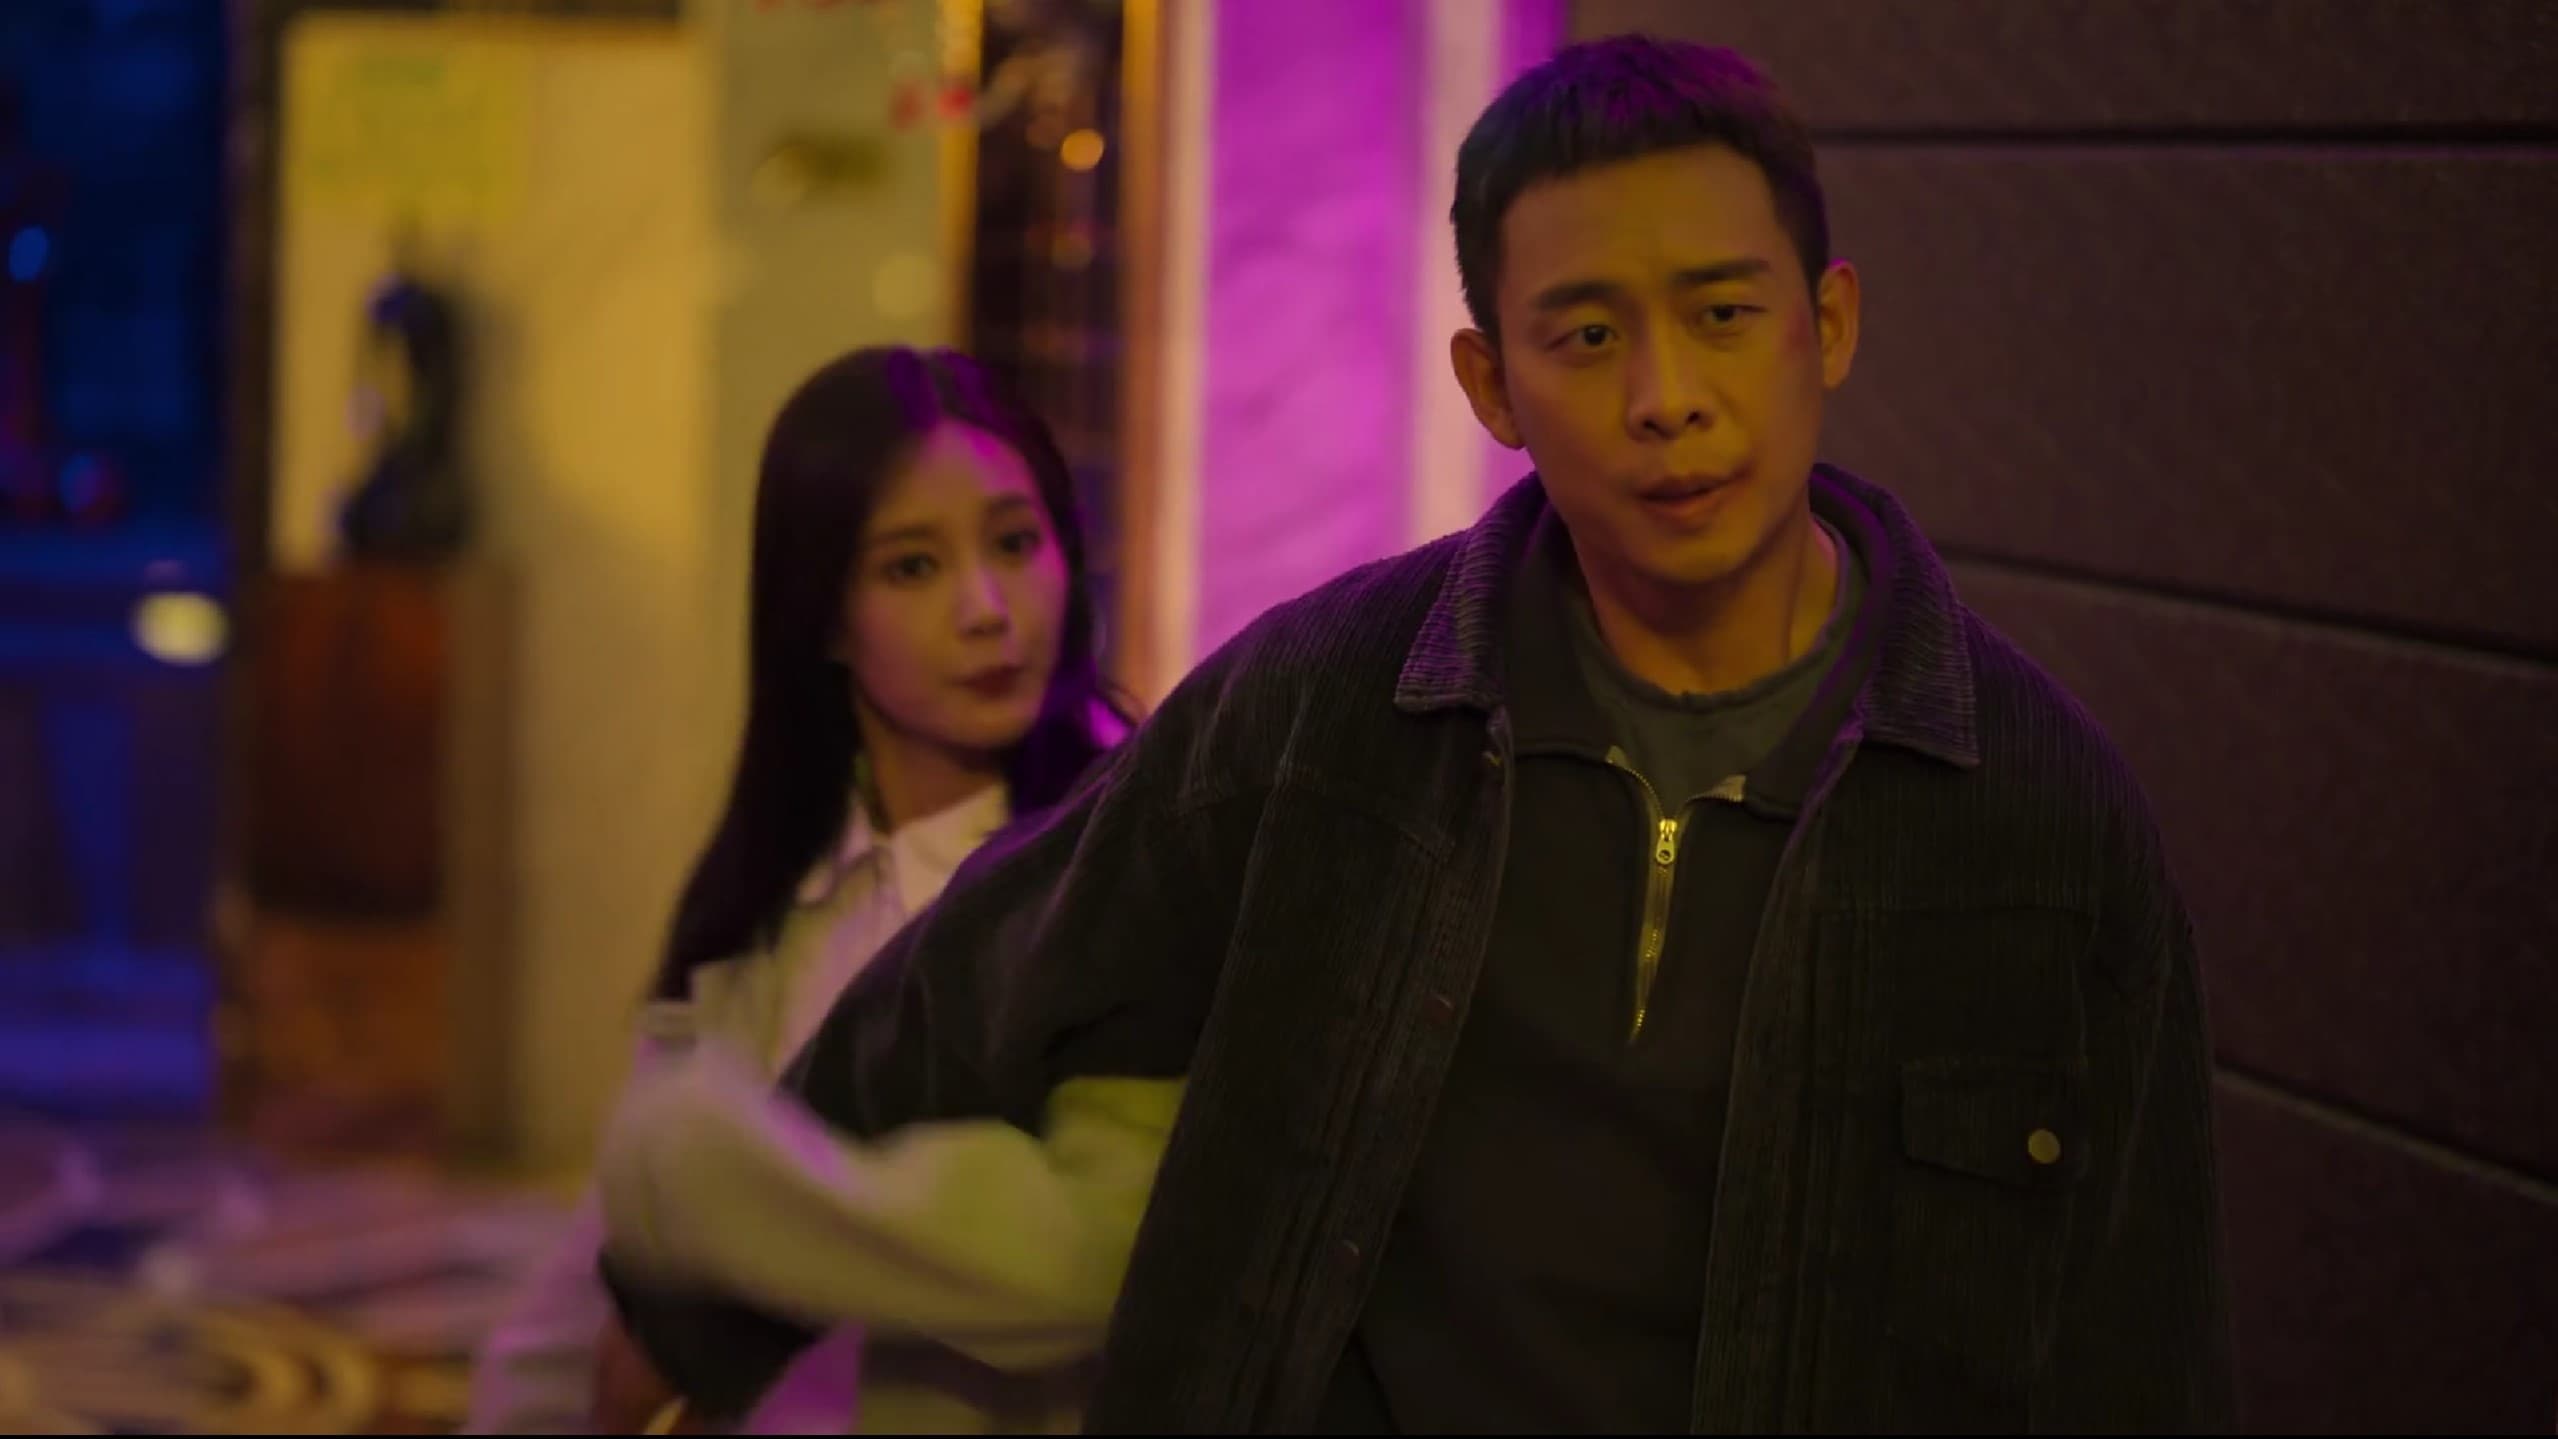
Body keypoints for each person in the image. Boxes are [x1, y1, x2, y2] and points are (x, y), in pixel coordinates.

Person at [608, 36, 2236, 1433]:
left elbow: (2135, 1334)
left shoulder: (2029, 814)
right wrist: (684, 1318)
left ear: (1829, 324)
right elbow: (975, 983)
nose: (1664, 394)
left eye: (1722, 313)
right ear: (1489, 383)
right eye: (1585, 334)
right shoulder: (1330, 709)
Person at [466, 346, 1160, 1434]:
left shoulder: (1125, 864)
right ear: (824, 615)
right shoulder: (778, 885)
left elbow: (1083, 1257)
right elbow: (611, 1259)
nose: (987, 608)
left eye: (1016, 543)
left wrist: (708, 1181)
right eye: (913, 566)